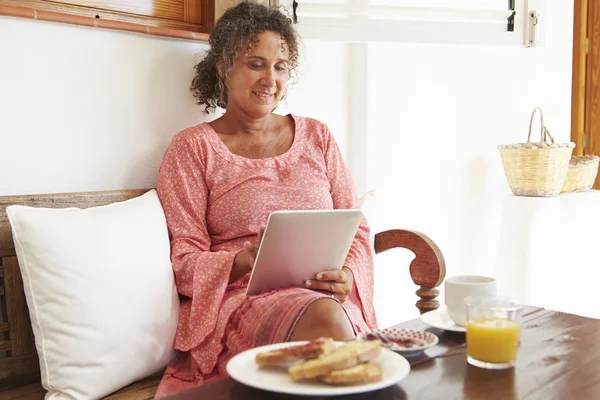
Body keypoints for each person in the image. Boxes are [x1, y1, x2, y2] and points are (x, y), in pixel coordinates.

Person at [154, 2, 377, 397]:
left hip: (326, 297)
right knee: (329, 326)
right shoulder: (193, 149)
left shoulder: (318, 137)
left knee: (330, 318)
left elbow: (356, 228)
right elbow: (184, 261)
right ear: (224, 66)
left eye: (280, 66)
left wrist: (346, 276)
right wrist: (241, 261)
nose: (270, 79)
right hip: (243, 302)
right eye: (256, 64)